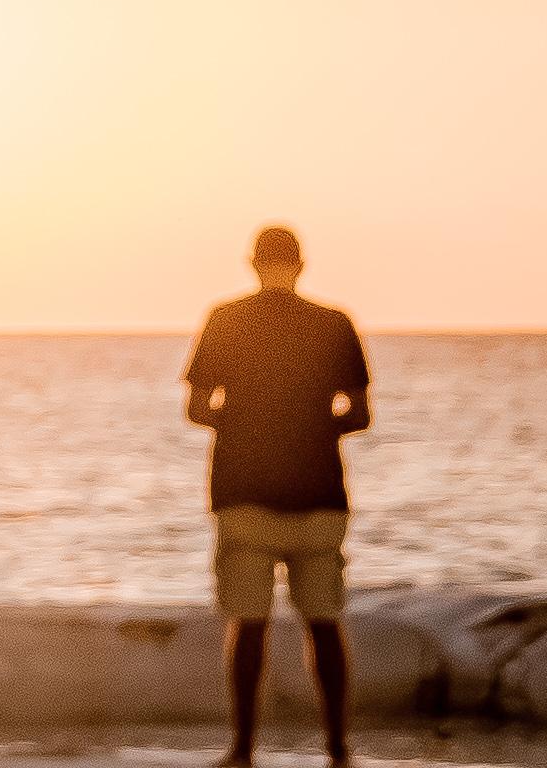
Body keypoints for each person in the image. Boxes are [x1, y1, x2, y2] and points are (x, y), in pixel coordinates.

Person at [188, 225, 374, 768]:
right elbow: (360, 413)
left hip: (243, 491)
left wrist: (247, 423)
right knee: (325, 624)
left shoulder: (225, 319)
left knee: (247, 623)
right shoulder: (334, 323)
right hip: (318, 493)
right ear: (302, 264)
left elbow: (197, 408)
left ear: (251, 262)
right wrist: (310, 425)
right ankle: (338, 750)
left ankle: (243, 749)